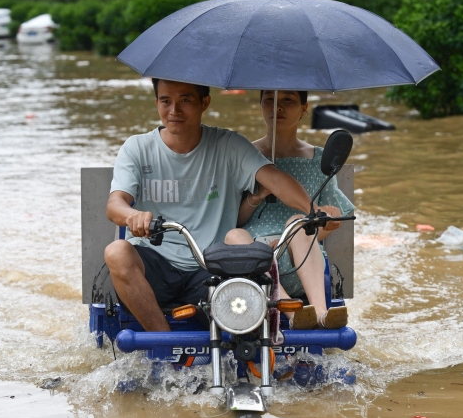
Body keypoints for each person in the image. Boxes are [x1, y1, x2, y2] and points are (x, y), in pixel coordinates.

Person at [105, 79, 321, 332]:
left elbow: (274, 179)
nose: (174, 110)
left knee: (244, 305)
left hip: (211, 267)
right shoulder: (137, 148)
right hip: (155, 264)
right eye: (165, 101)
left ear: (204, 103)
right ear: (157, 103)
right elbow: (115, 204)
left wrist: (312, 211)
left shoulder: (228, 145)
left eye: (185, 100)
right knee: (116, 252)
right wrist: (133, 215)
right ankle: (164, 344)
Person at [227, 90, 354, 329]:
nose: (278, 108)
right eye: (269, 101)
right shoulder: (244, 156)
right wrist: (258, 195)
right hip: (254, 259)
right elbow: (232, 219)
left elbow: (335, 217)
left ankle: (320, 313)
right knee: (233, 236)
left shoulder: (318, 160)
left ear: (304, 108)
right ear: (260, 104)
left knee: (297, 221)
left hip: (304, 258)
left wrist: (323, 222)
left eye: (288, 101)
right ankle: (291, 311)